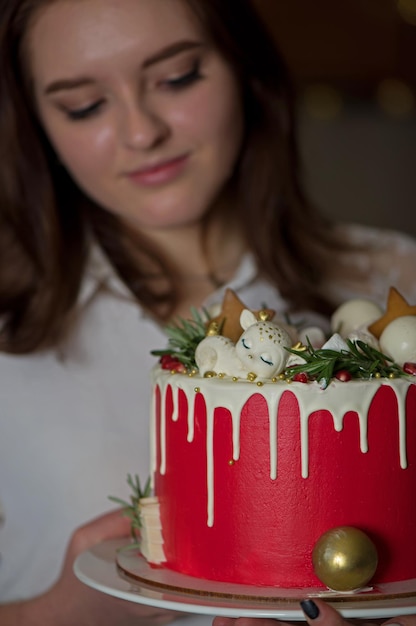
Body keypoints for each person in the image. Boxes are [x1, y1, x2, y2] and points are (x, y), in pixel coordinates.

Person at [0, 0, 415, 625]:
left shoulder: (394, 281)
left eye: (177, 77)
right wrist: (55, 614)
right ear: (37, 124)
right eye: (83, 105)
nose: (142, 132)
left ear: (245, 69)